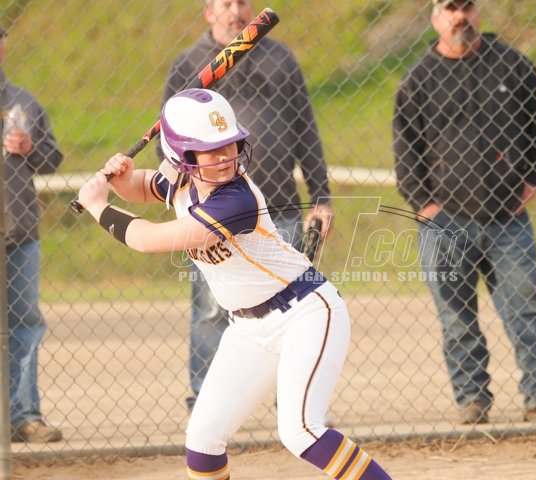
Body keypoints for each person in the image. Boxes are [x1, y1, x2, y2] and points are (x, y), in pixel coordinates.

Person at [78, 88, 391, 479]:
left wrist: (98, 206)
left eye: (229, 144)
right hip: (247, 328)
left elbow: (146, 239)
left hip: (305, 312)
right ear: (182, 157)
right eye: (210, 150)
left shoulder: (235, 199)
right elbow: (144, 187)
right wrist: (122, 180)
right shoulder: (181, 178)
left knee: (300, 431)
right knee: (202, 443)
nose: (225, 156)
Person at [392, 0, 536, 425]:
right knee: (457, 319)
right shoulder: (418, 78)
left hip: (508, 221)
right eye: (450, 8)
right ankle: (472, 400)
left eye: (468, 6)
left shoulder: (512, 65)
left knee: (527, 309)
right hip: (445, 224)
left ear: (477, 12)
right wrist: (425, 204)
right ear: (436, 17)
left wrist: (533, 178)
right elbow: (406, 150)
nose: (460, 15)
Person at [158, 0, 333, 410]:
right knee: (211, 310)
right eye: (226, 3)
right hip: (213, 214)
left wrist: (321, 196)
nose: (236, 10)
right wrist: (180, 193)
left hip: (278, 207)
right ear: (208, 11)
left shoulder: (280, 58)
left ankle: (291, 399)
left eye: (243, 2)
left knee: (291, 305)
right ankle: (207, 398)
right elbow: (169, 143)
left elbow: (305, 128)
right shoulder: (189, 65)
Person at [1, 24, 64, 442]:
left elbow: (53, 159)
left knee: (24, 323)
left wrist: (30, 149)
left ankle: (24, 415)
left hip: (19, 231)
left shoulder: (23, 102)